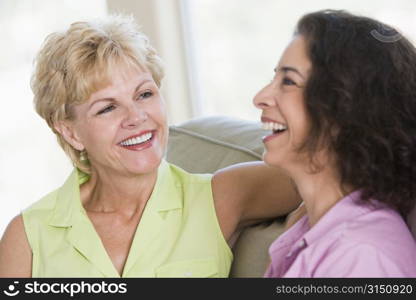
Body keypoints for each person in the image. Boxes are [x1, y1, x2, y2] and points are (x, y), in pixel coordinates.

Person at [0, 15, 301, 278]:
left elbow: (327, 174)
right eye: (107, 108)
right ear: (70, 132)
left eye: (144, 94)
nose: (136, 117)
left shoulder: (219, 197)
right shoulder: (26, 237)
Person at [254, 10, 416, 277]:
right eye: (274, 78)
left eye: (289, 81)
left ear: (347, 109)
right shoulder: (310, 233)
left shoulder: (362, 257)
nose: (260, 97)